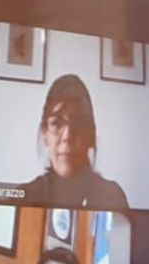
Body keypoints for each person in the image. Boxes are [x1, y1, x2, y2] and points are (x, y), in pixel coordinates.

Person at [22, 74, 129, 210]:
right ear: (45, 134)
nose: (67, 136)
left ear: (90, 136)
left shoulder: (112, 196)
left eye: (78, 124)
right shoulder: (25, 196)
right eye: (57, 123)